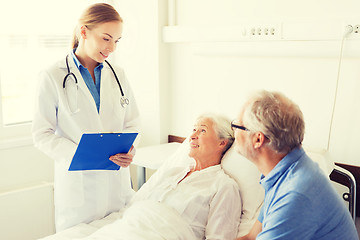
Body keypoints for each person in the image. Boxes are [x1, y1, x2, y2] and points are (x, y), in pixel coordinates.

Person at [43, 113, 242, 240]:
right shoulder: (173, 171)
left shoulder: (223, 186)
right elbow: (137, 204)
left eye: (202, 131)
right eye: (193, 129)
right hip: (130, 226)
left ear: (221, 143)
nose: (192, 135)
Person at [32, 3, 140, 232]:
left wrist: (131, 149)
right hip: (78, 190)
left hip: (116, 186)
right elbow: (42, 134)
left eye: (117, 41)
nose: (112, 48)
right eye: (106, 38)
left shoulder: (118, 74)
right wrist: (81, 154)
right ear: (83, 32)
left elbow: (133, 121)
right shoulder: (52, 76)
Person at [232, 90, 358, 240]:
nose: (233, 130)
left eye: (236, 125)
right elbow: (251, 237)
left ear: (258, 139)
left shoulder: (295, 193)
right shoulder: (285, 172)